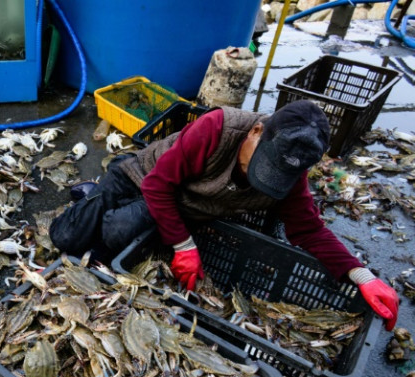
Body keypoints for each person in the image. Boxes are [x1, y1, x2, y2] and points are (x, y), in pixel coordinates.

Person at [49, 100, 399, 330]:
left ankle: (104, 212)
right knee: (64, 239)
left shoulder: (293, 173)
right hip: (143, 178)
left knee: (110, 243)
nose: (262, 178)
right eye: (264, 165)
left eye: (277, 176)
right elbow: (157, 185)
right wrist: (185, 247)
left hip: (183, 208)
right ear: (257, 131)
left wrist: (362, 275)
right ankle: (96, 194)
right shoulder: (217, 128)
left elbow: (308, 229)